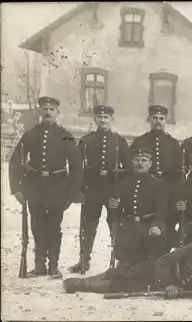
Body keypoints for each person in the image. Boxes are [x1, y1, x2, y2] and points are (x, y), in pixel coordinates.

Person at [8, 96, 83, 278]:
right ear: (39, 112)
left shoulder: (66, 136)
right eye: (45, 109)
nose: (48, 112)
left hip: (58, 187)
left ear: (57, 113)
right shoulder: (30, 135)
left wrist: (72, 192)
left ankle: (53, 266)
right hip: (34, 186)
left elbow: (76, 166)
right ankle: (39, 265)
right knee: (37, 226)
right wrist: (16, 189)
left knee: (54, 227)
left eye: (52, 109)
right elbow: (15, 162)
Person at [62, 227, 192, 305]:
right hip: (156, 270)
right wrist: (167, 284)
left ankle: (82, 286)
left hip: (166, 287)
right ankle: (81, 281)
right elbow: (164, 261)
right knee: (121, 273)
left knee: (121, 286)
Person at [68, 105, 131, 273]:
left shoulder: (119, 141)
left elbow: (129, 169)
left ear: (111, 120)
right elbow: (76, 167)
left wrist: (120, 193)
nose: (103, 120)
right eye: (99, 117)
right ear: (95, 119)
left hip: (112, 190)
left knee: (116, 226)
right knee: (87, 226)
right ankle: (84, 260)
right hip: (91, 190)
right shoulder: (86, 140)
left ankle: (120, 261)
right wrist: (78, 190)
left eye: (106, 118)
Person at [108, 148, 170, 266]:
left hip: (149, 227)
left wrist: (157, 225)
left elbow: (162, 210)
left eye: (144, 160)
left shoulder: (159, 185)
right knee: (125, 264)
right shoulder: (123, 183)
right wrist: (113, 205)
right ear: (132, 162)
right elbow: (117, 209)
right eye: (136, 160)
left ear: (150, 163)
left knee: (150, 264)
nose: (140, 163)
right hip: (129, 227)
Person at [130, 105, 182, 186]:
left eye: (161, 118)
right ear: (149, 120)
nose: (158, 121)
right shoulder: (139, 141)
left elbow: (177, 168)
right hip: (144, 184)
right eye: (154, 118)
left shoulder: (173, 143)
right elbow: (131, 165)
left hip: (167, 185)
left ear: (165, 121)